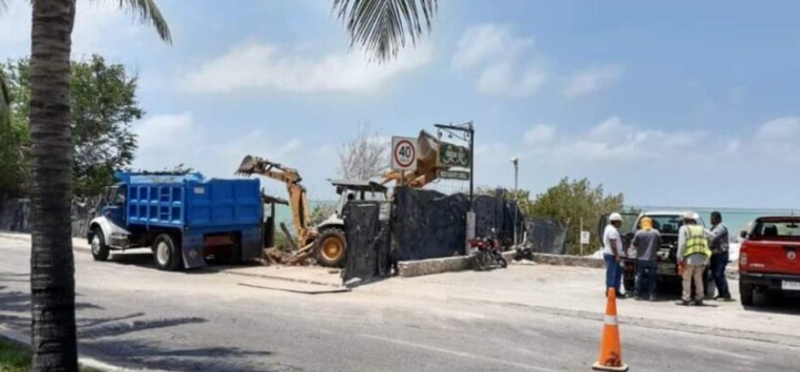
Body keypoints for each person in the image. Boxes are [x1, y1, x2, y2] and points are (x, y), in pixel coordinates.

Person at [676, 212, 712, 306]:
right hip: (700, 258)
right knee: (698, 279)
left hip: (688, 258)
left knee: (686, 279)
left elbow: (682, 244)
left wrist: (679, 257)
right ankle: (699, 298)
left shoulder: (684, 228)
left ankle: (686, 299)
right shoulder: (701, 228)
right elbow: (712, 236)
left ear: (685, 220)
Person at [631, 217, 661, 301]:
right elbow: (660, 244)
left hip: (641, 259)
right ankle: (652, 295)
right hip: (652, 258)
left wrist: (640, 249)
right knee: (652, 278)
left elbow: (634, 244)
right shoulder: (656, 233)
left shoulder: (639, 233)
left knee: (639, 277)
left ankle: (637, 295)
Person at [709, 211, 733, 301]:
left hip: (721, 254)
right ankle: (721, 293)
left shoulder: (721, 228)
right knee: (715, 274)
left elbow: (712, 237)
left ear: (717, 218)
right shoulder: (714, 227)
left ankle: (726, 294)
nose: (710, 220)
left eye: (712, 218)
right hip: (716, 254)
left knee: (719, 274)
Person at [603, 213, 625, 297]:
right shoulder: (612, 230)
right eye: (619, 222)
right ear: (615, 221)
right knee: (612, 274)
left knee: (617, 273)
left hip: (611, 254)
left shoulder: (608, 228)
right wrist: (617, 256)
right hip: (612, 255)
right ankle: (610, 291)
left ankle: (615, 290)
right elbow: (613, 244)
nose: (620, 224)